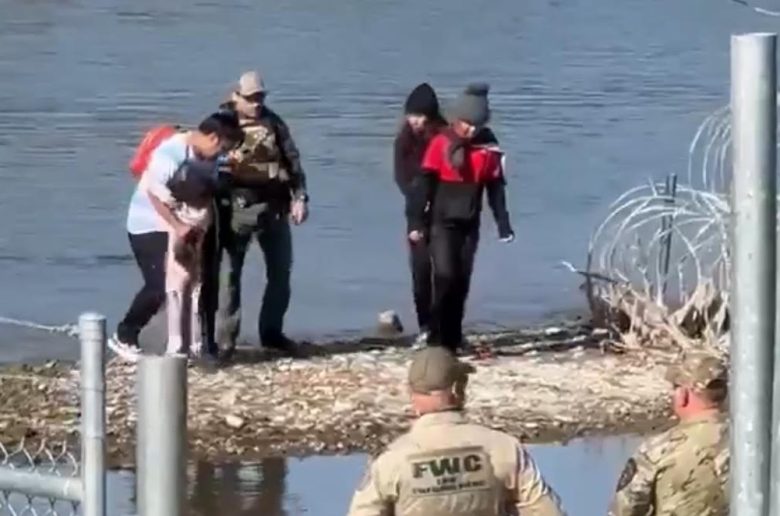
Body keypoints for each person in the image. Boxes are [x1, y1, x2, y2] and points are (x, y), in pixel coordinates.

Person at [347, 346, 565, 515]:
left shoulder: (390, 460)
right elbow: (546, 512)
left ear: (411, 394)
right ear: (457, 389)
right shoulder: (503, 448)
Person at [111, 112, 243, 360]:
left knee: (191, 283)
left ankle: (188, 344)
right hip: (149, 223)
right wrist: (178, 225)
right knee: (160, 285)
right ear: (213, 138)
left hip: (187, 223)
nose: (223, 154)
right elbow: (154, 195)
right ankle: (125, 335)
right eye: (224, 148)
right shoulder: (170, 154)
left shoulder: (212, 155)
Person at [407, 83, 514, 352]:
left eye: (477, 125)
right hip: (441, 222)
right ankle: (435, 336)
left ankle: (453, 337)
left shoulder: (488, 148)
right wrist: (416, 222)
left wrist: (503, 224)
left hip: (469, 223)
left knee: (461, 282)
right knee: (444, 276)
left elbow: (496, 189)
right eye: (467, 124)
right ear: (457, 120)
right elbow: (423, 186)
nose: (472, 130)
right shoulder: (441, 143)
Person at [211, 71, 309, 358]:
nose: (256, 104)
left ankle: (272, 333)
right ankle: (225, 341)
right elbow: (203, 162)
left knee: (280, 273)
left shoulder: (274, 123)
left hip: (274, 207)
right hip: (236, 210)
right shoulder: (221, 124)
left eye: (260, 98)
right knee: (229, 276)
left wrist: (300, 197)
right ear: (236, 96)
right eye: (251, 98)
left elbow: (292, 161)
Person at [608, 351, 729, 515]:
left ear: (683, 395)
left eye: (675, 388)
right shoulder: (752, 442)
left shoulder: (656, 450)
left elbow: (624, 510)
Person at [394, 83, 447, 344]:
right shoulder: (403, 141)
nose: (414, 121)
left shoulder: (444, 138)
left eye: (419, 116)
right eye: (411, 115)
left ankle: (445, 326)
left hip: (443, 212)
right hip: (416, 214)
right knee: (420, 270)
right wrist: (417, 203)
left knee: (446, 272)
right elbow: (400, 176)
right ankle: (425, 326)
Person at [164, 164, 216, 357]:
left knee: (177, 291)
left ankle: (178, 343)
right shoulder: (206, 210)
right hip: (191, 245)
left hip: (184, 243)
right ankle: (194, 343)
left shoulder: (195, 212)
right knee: (192, 291)